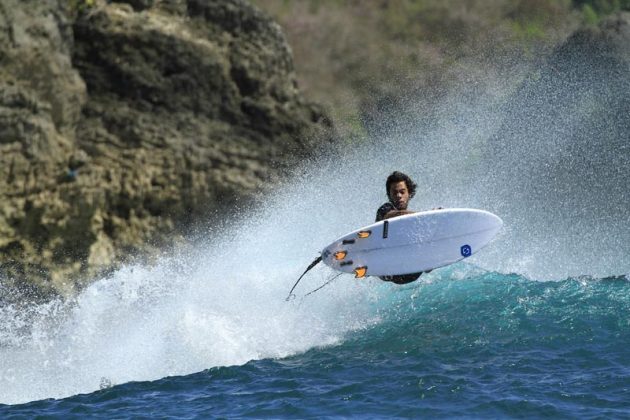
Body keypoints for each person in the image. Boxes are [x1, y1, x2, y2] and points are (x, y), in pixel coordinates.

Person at [375, 171, 424, 284]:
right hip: (389, 272)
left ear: (409, 193)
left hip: (413, 272)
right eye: (394, 192)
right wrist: (424, 216)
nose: (398, 196)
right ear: (389, 195)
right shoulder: (384, 209)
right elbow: (393, 215)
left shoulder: (416, 220)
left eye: (402, 192)